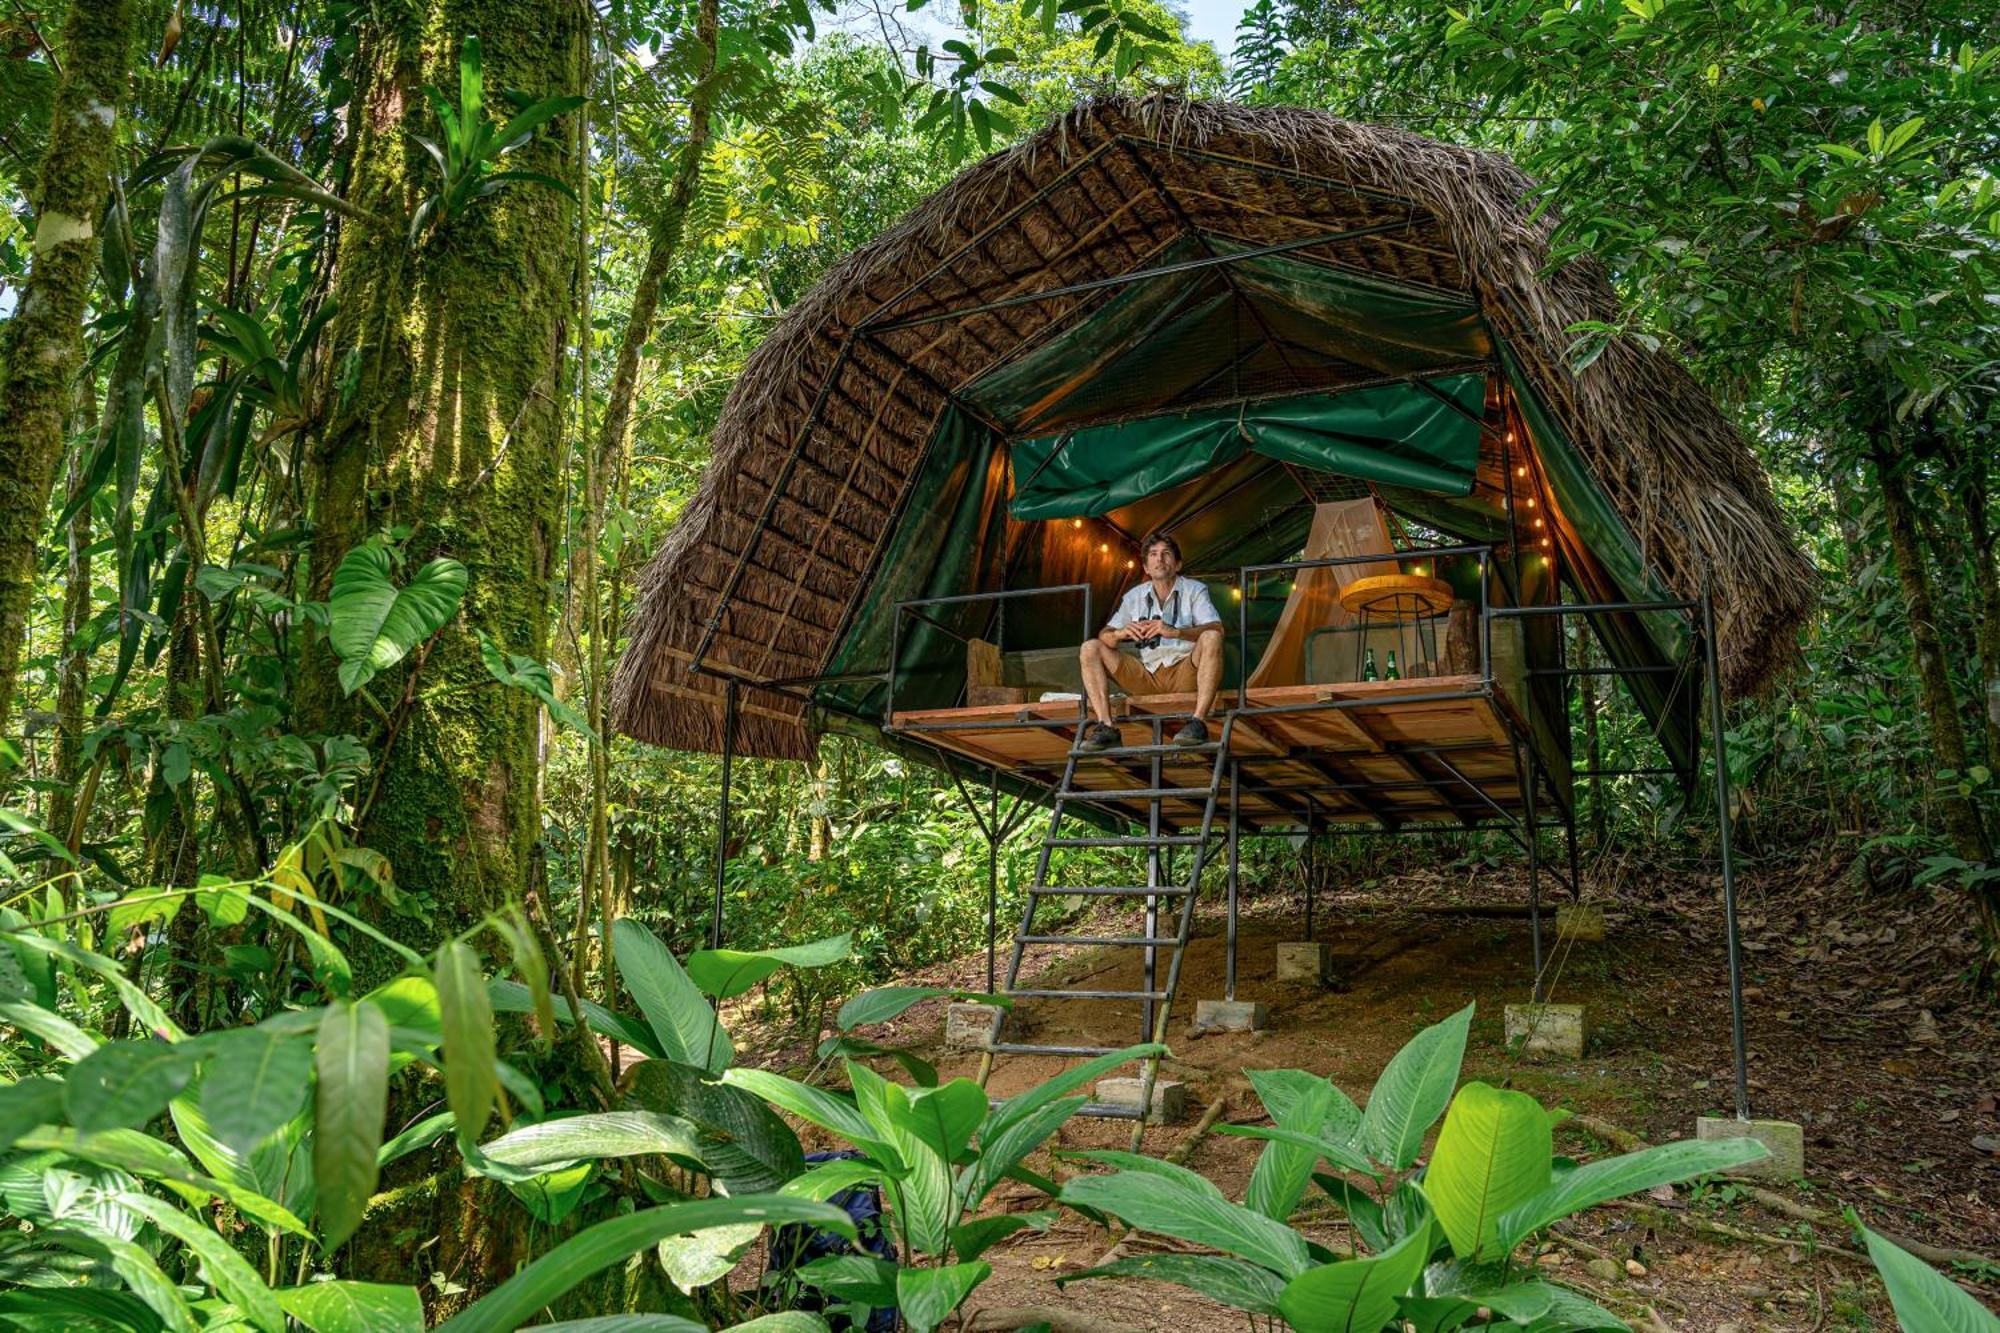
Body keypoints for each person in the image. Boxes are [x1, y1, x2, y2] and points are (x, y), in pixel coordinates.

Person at [1077, 531, 1224, 751]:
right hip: (1147, 676)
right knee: (1090, 648)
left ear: (1177, 564)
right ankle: (1106, 726)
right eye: (1153, 554)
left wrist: (1176, 632)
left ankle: (1198, 722)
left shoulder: (1194, 589)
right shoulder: (1134, 596)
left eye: (1166, 554)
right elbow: (1104, 635)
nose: (1159, 559)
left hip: (1185, 672)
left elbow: (1217, 628)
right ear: (1146, 567)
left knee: (1211, 637)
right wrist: (1121, 633)